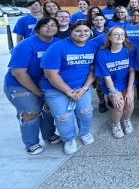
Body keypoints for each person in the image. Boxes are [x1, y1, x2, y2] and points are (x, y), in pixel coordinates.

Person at [4, 18, 61, 154]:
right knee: (31, 111)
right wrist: (37, 92)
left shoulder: (59, 44)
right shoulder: (26, 45)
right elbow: (18, 72)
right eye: (45, 25)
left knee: (48, 109)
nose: (49, 27)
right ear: (38, 28)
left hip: (45, 83)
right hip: (19, 84)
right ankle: (31, 143)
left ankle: (48, 135)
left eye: (53, 25)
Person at [41, 20, 97, 155]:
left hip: (82, 87)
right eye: (78, 31)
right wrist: (69, 92)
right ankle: (69, 139)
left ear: (90, 32)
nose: (82, 33)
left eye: (86, 31)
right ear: (70, 32)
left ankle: (84, 133)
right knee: (64, 117)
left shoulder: (93, 46)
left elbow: (94, 70)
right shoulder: (57, 47)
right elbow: (50, 74)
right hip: (56, 88)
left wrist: (84, 89)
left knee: (86, 112)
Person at [94, 27, 135, 138]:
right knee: (119, 105)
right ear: (109, 37)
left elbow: (132, 71)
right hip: (111, 84)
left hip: (126, 82)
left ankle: (126, 120)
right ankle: (116, 124)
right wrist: (114, 93)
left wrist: (130, 90)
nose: (119, 36)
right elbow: (106, 76)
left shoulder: (129, 50)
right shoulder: (102, 54)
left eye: (122, 34)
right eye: (116, 34)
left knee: (130, 102)